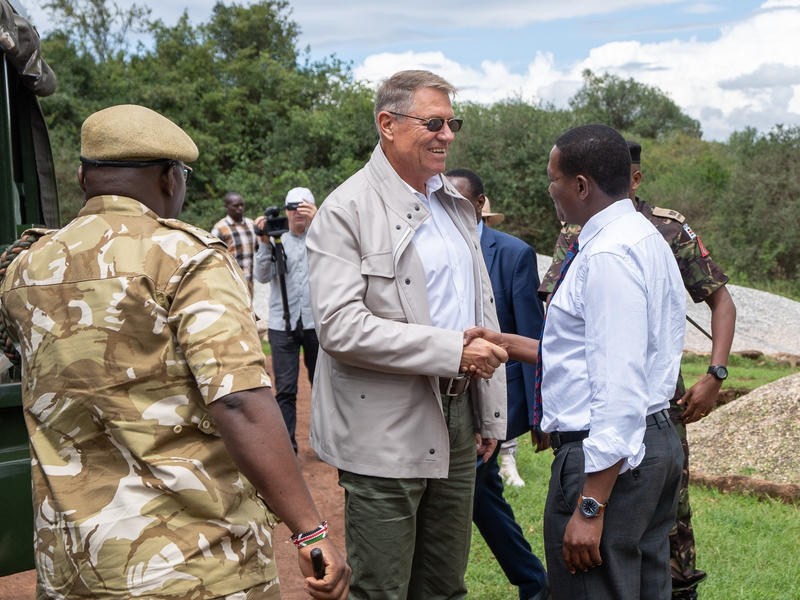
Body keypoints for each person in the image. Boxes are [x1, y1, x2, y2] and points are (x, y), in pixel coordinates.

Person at [0, 104, 349, 600]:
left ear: (82, 177)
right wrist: (310, 530)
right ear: (170, 177)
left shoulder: (25, 266)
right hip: (191, 565)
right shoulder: (187, 258)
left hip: (73, 565)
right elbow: (237, 401)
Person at [305, 70, 509, 599]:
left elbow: (479, 306)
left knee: (444, 586)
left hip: (460, 417)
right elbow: (340, 327)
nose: (447, 135)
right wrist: (453, 353)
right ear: (387, 124)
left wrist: (487, 413)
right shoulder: (345, 210)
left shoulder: (453, 206)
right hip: (385, 425)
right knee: (383, 590)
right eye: (434, 123)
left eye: (452, 123)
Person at [538, 141, 736, 600]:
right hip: (653, 439)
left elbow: (618, 381)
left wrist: (591, 504)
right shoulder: (643, 238)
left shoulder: (609, 253)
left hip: (612, 457)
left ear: (582, 185)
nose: (550, 190)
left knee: (596, 587)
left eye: (554, 179)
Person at [446, 168, 549, 600]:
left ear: (480, 203)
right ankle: (534, 583)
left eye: (460, 200)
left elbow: (530, 333)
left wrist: (538, 413)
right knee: (481, 498)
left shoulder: (513, 253)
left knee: (480, 496)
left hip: (492, 399)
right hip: (444, 395)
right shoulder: (434, 246)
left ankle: (534, 583)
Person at [254, 187, 319, 453]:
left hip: (316, 323)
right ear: (285, 210)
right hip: (282, 324)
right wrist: (264, 243)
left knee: (323, 387)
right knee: (286, 389)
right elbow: (261, 275)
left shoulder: (323, 237)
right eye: (292, 207)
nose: (297, 213)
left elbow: (338, 260)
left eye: (303, 207)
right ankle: (287, 449)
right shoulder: (276, 238)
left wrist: (321, 222)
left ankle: (324, 443)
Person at [211, 191, 257, 290]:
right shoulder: (219, 228)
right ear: (227, 207)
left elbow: (259, 249)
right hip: (230, 284)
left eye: (242, 205)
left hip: (249, 282)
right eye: (236, 206)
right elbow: (213, 257)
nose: (240, 208)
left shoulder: (251, 224)